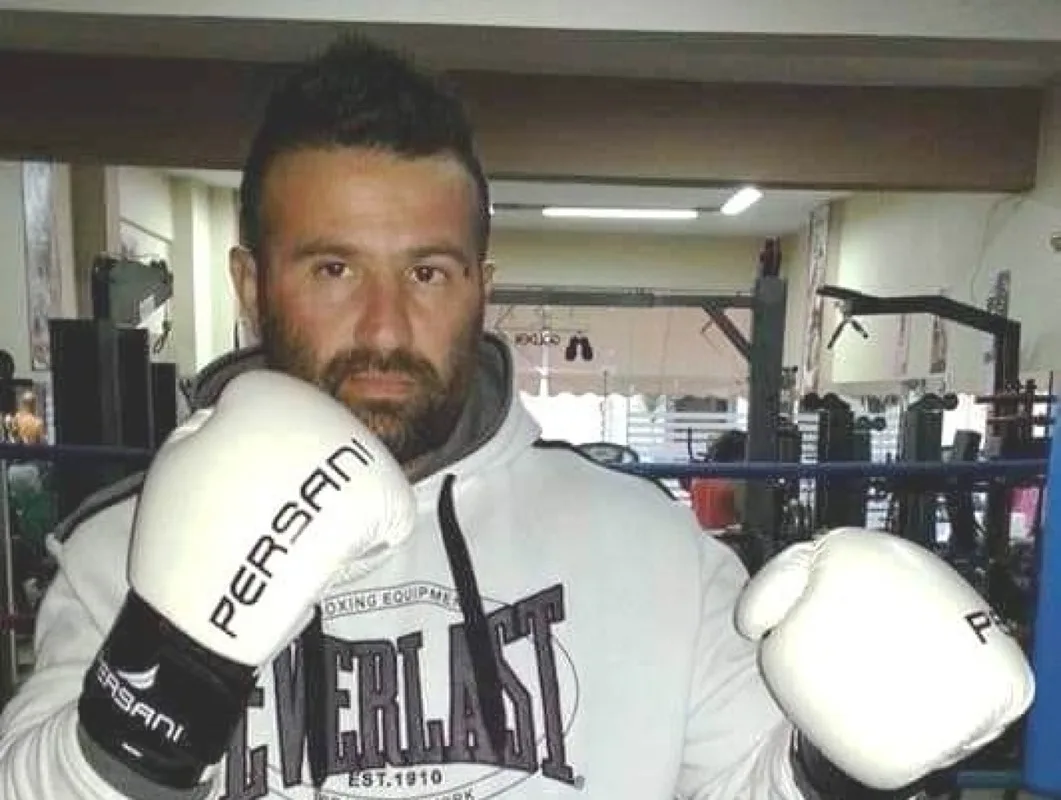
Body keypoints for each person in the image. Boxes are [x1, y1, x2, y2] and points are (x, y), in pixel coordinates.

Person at [0, 36, 1033, 800]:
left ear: (480, 288)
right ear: (251, 283)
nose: (385, 326)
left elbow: (751, 783)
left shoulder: (649, 547)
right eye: (332, 269)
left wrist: (841, 767)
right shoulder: (123, 547)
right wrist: (153, 701)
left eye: (428, 272)